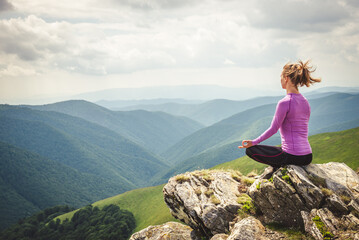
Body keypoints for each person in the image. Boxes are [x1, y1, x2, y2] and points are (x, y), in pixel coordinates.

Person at [238, 60, 321, 169]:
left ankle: (279, 167)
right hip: (307, 156)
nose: (280, 80)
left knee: (251, 150)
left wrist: (254, 142)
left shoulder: (285, 102)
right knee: (278, 149)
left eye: (281, 77)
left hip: (292, 156)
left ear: (286, 78)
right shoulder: (305, 102)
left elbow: (273, 129)